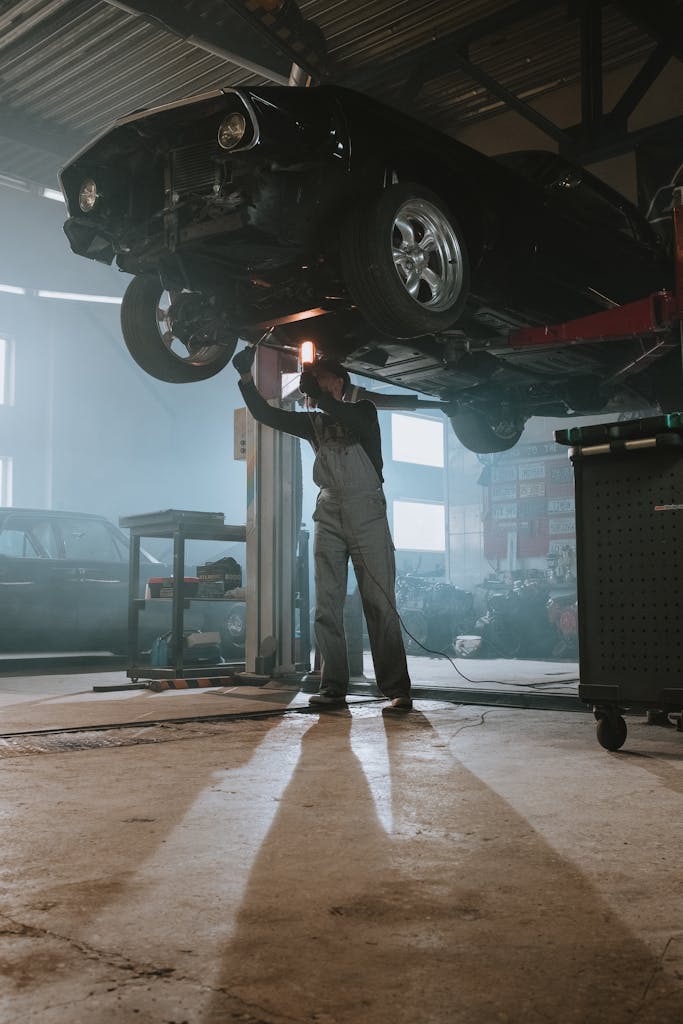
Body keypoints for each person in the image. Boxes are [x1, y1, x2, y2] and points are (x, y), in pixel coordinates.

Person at [233, 344, 412, 711]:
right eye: (315, 384)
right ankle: (332, 687)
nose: (319, 388)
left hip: (366, 510)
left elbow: (352, 420)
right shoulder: (312, 422)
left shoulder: (364, 411)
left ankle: (396, 689)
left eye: (326, 383)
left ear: (341, 385)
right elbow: (265, 414)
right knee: (326, 604)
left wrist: (318, 396)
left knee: (378, 601)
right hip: (328, 510)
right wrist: (245, 378)